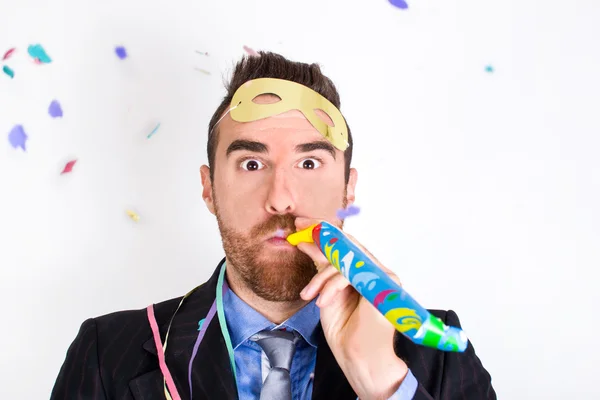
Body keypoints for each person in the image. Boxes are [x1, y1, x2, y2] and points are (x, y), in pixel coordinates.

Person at [51, 51, 496, 400]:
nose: (281, 198)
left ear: (347, 189)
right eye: (251, 162)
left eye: (308, 162)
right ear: (209, 188)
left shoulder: (435, 357)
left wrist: (384, 385)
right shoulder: (105, 353)